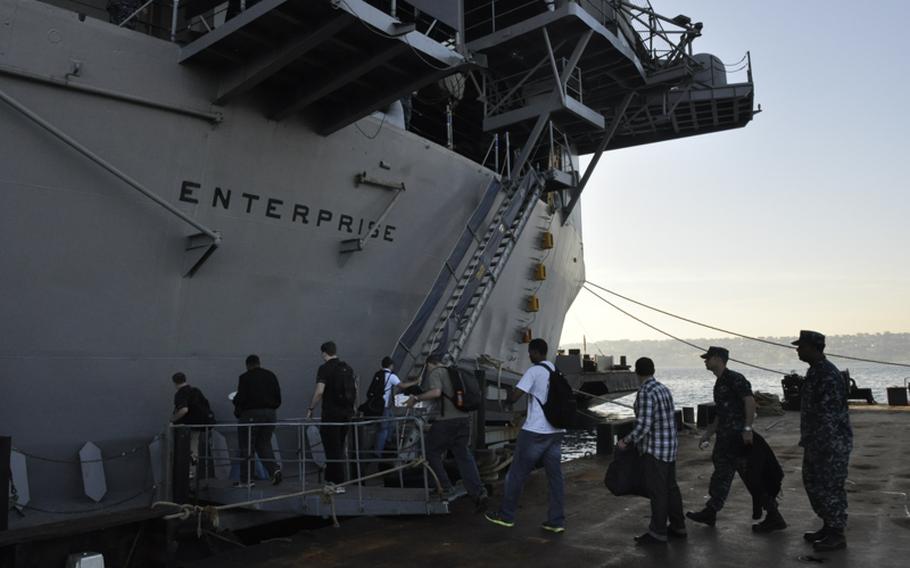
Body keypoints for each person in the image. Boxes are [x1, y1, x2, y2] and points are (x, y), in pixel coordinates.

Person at [686, 346, 786, 531]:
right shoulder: (720, 383)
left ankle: (774, 515)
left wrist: (747, 428)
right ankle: (711, 511)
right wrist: (708, 434)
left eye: (708, 358)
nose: (705, 361)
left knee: (752, 478)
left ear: (718, 359)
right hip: (726, 441)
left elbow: (750, 401)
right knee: (721, 477)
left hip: (739, 441)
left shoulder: (735, 379)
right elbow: (720, 414)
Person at [485, 338, 564, 532]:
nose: (529, 356)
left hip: (535, 432)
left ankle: (507, 516)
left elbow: (515, 396)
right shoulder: (556, 371)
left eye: (531, 352)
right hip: (556, 432)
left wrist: (507, 399)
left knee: (516, 475)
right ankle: (556, 521)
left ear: (537, 352)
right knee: (555, 478)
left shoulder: (534, 371)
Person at [794, 330, 852, 551]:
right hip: (816, 442)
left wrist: (824, 446)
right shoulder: (816, 371)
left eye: (801, 346)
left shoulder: (827, 374)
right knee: (814, 484)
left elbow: (829, 415)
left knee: (830, 487)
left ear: (813, 347)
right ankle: (829, 525)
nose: (797, 350)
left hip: (829, 444)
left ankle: (837, 534)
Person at [616, 357, 685, 545]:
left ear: (637, 373)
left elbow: (644, 425)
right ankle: (679, 526)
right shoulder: (663, 388)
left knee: (658, 492)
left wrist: (626, 440)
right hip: (669, 447)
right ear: (653, 370)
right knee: (671, 488)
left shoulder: (646, 392)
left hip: (655, 450)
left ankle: (658, 532)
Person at [405, 354, 487, 510]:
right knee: (463, 456)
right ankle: (478, 491)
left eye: (427, 367)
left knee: (430, 451)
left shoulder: (436, 372)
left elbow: (436, 392)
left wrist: (416, 398)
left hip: (447, 422)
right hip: (464, 420)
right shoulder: (453, 372)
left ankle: (444, 485)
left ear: (430, 364)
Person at [307, 341, 356, 486]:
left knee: (331, 449)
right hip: (346, 414)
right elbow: (355, 389)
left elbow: (320, 391)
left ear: (324, 353)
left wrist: (311, 408)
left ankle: (337, 483)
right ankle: (330, 479)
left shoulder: (324, 368)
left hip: (331, 415)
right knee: (339, 448)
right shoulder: (347, 368)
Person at [233, 355, 282, 487]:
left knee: (246, 446)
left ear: (248, 365)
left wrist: (235, 402)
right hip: (271, 414)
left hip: (251, 415)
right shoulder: (271, 375)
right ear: (259, 363)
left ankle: (246, 480)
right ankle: (274, 470)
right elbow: (278, 397)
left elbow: (240, 398)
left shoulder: (245, 377)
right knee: (264, 444)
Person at [372, 357, 420, 458]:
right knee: (383, 429)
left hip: (378, 405)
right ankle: (378, 452)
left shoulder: (378, 374)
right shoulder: (391, 376)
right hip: (384, 406)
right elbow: (402, 386)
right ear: (391, 365)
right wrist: (415, 382)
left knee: (393, 422)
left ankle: (386, 443)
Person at [170, 372, 211, 479]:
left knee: (185, 448)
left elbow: (184, 409)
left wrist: (172, 419)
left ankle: (188, 472)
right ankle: (193, 470)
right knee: (194, 446)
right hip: (199, 424)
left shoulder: (180, 393)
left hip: (186, 426)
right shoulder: (196, 391)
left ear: (174, 382)